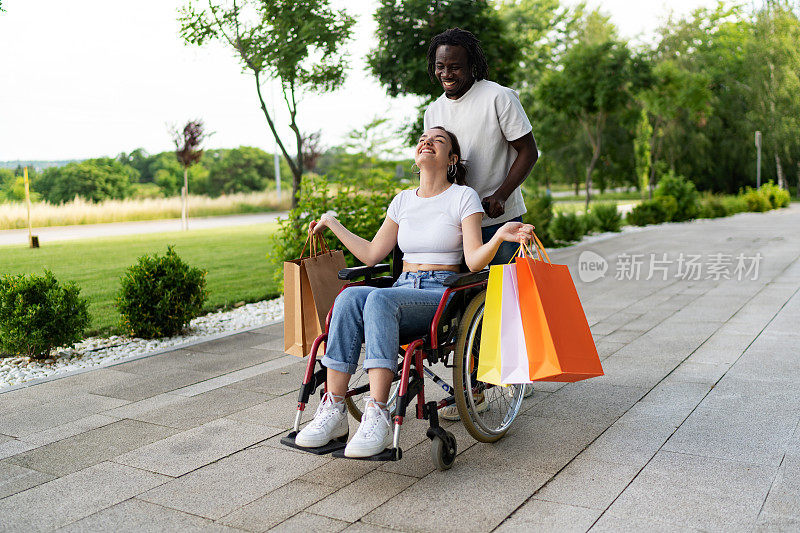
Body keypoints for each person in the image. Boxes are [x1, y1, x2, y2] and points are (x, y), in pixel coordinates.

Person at [294, 127, 534, 458]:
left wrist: (499, 236)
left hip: (440, 294)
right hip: (402, 289)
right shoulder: (403, 200)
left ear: (451, 159)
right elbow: (372, 254)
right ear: (416, 156)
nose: (426, 142)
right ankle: (333, 410)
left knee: (379, 299)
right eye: (423, 139)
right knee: (349, 297)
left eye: (438, 140)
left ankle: (377, 412)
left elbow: (474, 260)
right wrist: (333, 223)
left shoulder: (463, 197)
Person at [424, 27, 539, 409]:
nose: (447, 73)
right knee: (461, 306)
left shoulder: (499, 97)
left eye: (455, 66)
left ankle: (497, 381)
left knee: (498, 305)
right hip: (459, 220)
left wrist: (501, 195)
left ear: (472, 65)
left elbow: (528, 152)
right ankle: (475, 384)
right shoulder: (434, 110)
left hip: (499, 218)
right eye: (440, 66)